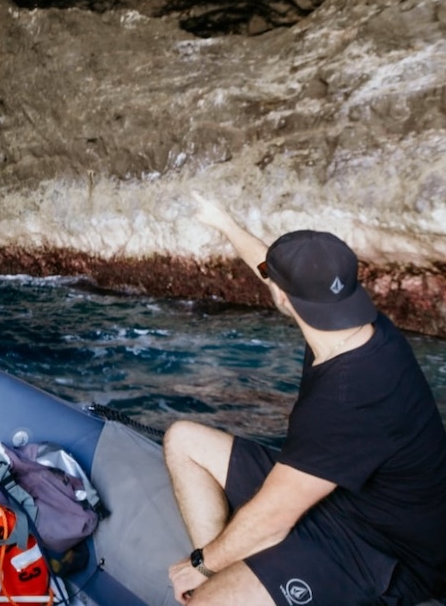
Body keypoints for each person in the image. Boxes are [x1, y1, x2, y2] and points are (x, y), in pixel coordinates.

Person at [165, 194, 446, 605]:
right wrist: (224, 224)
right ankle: (238, 571)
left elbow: (274, 520)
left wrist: (202, 564)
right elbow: (268, 268)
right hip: (341, 499)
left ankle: (222, 579)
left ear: (283, 299)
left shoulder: (346, 397)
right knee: (183, 440)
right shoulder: (355, 322)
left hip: (385, 553)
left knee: (205, 598)